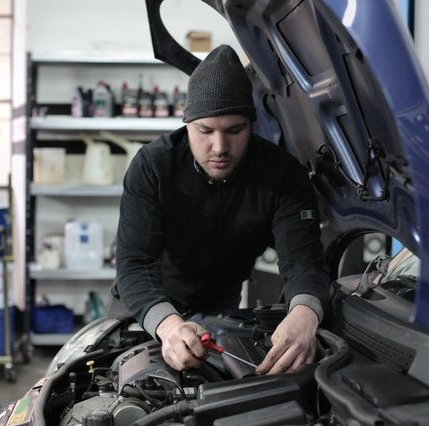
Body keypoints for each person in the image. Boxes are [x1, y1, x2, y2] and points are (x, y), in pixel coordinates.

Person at [115, 44, 329, 375]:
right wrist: (169, 327)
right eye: (205, 131)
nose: (220, 147)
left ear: (251, 124)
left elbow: (303, 261)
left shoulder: (283, 176)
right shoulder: (153, 167)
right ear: (186, 124)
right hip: (146, 307)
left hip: (220, 310)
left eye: (234, 130)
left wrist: (304, 313)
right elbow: (134, 264)